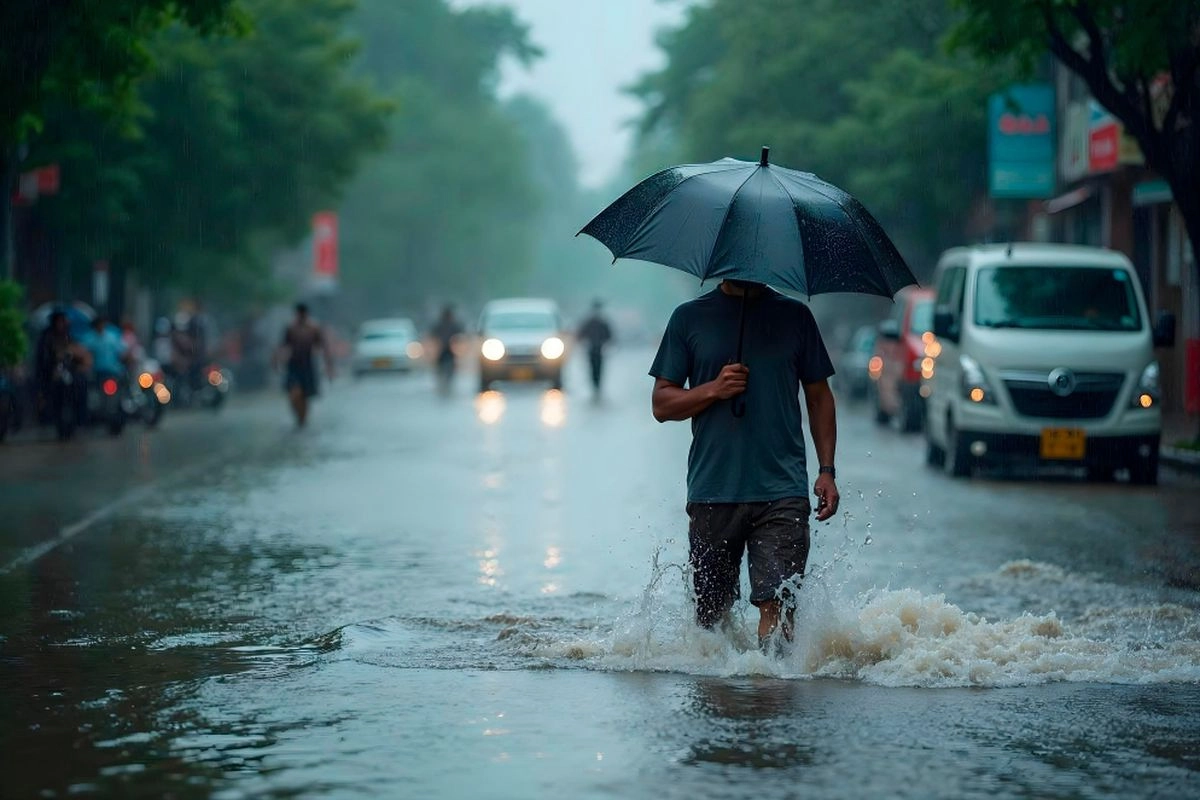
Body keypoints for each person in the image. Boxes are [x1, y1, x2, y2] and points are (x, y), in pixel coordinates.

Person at [649, 279, 840, 651]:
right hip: (713, 490)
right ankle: (722, 685)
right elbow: (661, 404)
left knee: (778, 604)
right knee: (710, 618)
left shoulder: (796, 317)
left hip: (782, 490)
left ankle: (771, 683)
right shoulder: (688, 318)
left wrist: (827, 470)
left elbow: (819, 396)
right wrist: (714, 389)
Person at [277, 303, 333, 427]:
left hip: (308, 364)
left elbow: (324, 347)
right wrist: (278, 361)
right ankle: (299, 416)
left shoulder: (314, 328)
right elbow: (282, 346)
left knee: (305, 395)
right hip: (293, 364)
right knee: (294, 393)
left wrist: (329, 367)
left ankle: (302, 420)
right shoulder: (291, 328)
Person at [577, 299, 614, 396]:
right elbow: (580, 335)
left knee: (598, 369)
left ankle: (597, 386)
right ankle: (595, 386)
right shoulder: (590, 322)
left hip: (599, 350)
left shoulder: (602, 323)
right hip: (591, 350)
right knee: (593, 369)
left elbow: (610, 336)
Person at [430, 304, 464, 393]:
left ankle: (445, 384)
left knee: (447, 369)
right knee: (442, 369)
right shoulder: (443, 325)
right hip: (443, 351)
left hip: (448, 350)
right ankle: (444, 384)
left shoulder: (448, 325)